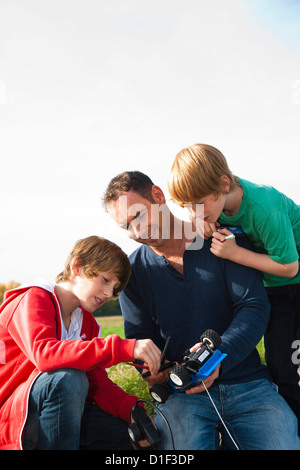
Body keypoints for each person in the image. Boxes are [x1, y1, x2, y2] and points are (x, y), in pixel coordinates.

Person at [103, 171, 300, 450]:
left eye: (139, 216)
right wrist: (149, 370)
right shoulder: (133, 273)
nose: (137, 232)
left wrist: (217, 359)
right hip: (181, 394)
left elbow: (253, 307)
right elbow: (139, 336)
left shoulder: (223, 241)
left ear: (158, 196)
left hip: (248, 384)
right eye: (126, 226)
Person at [168, 143, 300, 431]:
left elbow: (290, 267)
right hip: (274, 290)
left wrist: (235, 254)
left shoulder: (266, 208)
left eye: (198, 204)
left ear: (223, 184)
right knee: (278, 364)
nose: (193, 213)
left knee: (293, 365)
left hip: (294, 284)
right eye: (186, 207)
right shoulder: (215, 207)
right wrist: (204, 220)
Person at [0, 235, 161, 450]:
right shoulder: (33, 298)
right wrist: (124, 347)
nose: (108, 293)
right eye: (105, 280)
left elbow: (97, 383)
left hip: (46, 414)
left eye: (115, 288)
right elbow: (45, 354)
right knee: (69, 378)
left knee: (130, 437)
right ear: (77, 267)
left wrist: (133, 409)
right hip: (10, 414)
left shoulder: (88, 324)